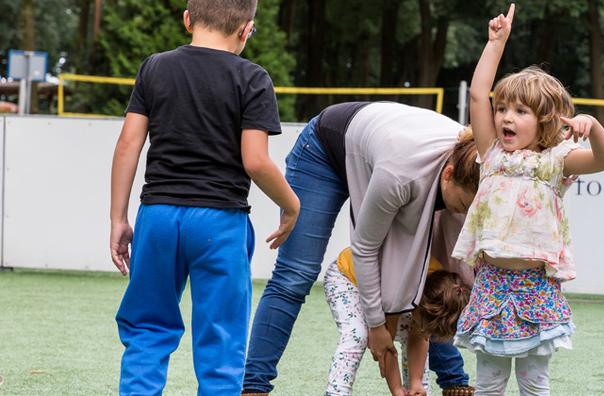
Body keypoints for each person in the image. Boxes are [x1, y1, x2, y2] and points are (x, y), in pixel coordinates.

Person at [109, 1, 300, 394]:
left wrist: (118, 218)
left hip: (158, 217)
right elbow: (256, 161)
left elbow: (129, 143)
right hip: (220, 224)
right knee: (221, 341)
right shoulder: (254, 78)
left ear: (187, 19)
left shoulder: (155, 67)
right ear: (246, 30)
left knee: (146, 327)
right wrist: (291, 204)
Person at [242, 101, 480, 396]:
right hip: (325, 151)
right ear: (448, 175)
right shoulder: (401, 176)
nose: (465, 213)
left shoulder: (472, 166)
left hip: (384, 153)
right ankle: (254, 386)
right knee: (295, 274)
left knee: (436, 275)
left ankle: (452, 378)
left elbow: (450, 269)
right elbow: (366, 248)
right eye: (462, 205)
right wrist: (378, 327)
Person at [453, 4, 604, 395]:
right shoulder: (491, 155)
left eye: (520, 111)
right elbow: (477, 95)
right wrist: (496, 43)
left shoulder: (555, 163)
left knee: (535, 382)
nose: (506, 117)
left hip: (535, 288)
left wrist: (592, 126)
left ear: (544, 120)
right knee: (489, 382)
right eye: (503, 108)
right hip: (491, 283)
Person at [324, 248, 469, 396]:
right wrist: (397, 390)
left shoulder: (438, 286)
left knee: (413, 332)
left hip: (393, 288)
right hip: (346, 278)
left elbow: (419, 336)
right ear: (419, 304)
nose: (426, 333)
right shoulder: (397, 290)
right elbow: (385, 342)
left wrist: (416, 382)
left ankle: (418, 390)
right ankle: (336, 391)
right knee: (357, 334)